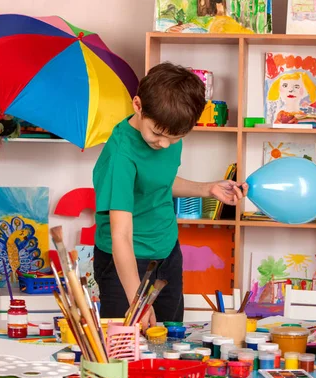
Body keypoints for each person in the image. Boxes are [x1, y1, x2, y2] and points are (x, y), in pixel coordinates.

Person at [92, 62, 248, 329]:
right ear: (138, 106)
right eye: (157, 134)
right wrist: (137, 302)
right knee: (126, 350)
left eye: (175, 139)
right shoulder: (121, 156)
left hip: (166, 252)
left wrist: (207, 189)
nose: (164, 144)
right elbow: (121, 235)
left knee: (169, 343)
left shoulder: (170, 125)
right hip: (126, 260)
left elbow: (157, 181)